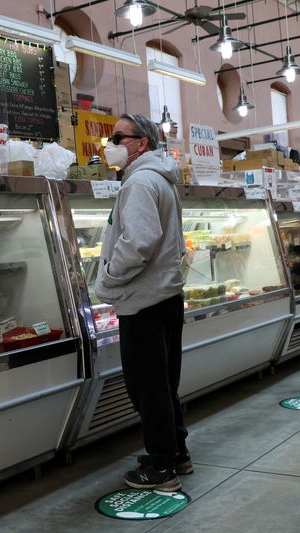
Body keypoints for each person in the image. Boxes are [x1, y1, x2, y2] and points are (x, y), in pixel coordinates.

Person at [96, 114, 190, 491]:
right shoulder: (160, 179)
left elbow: (138, 242)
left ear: (142, 144)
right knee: (165, 383)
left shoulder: (139, 183)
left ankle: (162, 469)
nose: (111, 143)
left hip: (143, 300)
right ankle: (175, 452)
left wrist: (108, 279)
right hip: (166, 296)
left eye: (119, 137)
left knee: (147, 387)